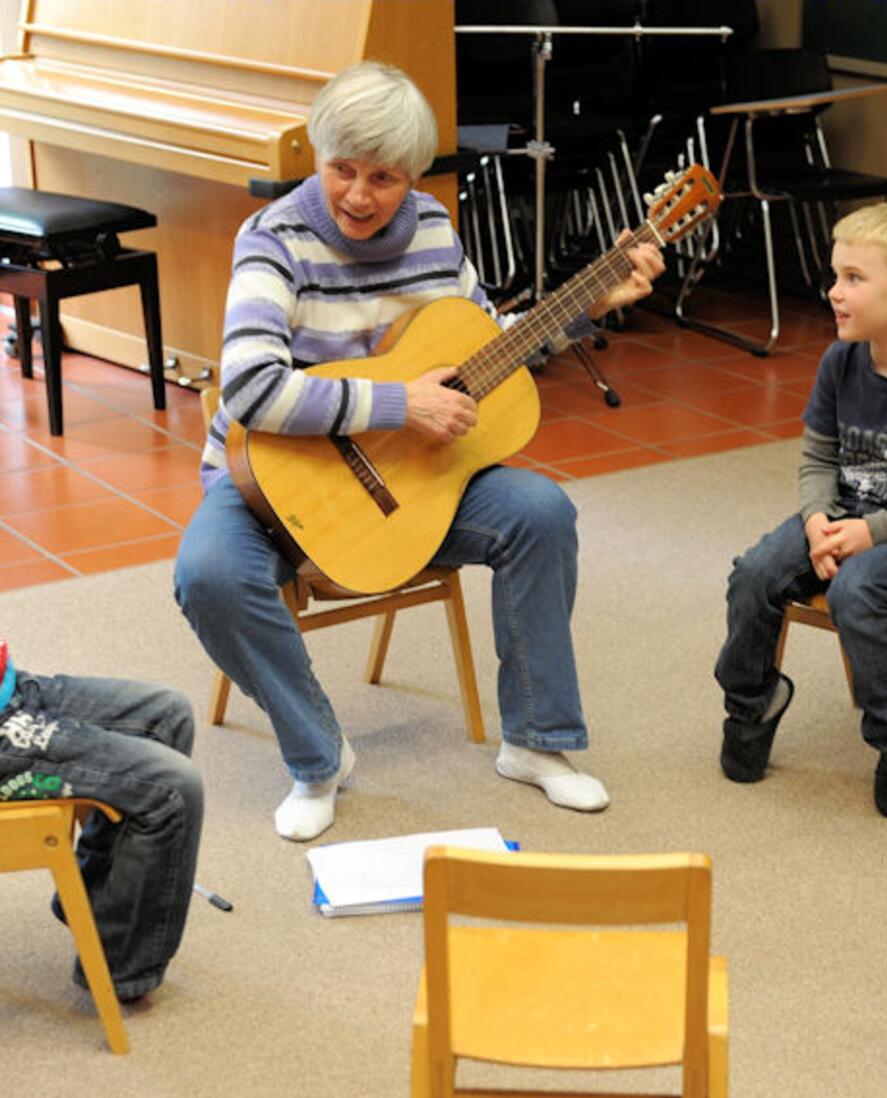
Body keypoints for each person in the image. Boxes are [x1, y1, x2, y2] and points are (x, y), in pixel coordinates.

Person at [174, 62, 664, 841]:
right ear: (318, 156)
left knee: (541, 511)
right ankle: (317, 755)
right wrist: (401, 403)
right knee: (208, 575)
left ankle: (536, 743)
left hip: (416, 478)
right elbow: (251, 389)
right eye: (342, 170)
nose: (360, 196)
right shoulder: (274, 240)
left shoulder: (434, 230)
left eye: (384, 177)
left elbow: (482, 351)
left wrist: (588, 304)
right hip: (272, 477)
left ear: (413, 176)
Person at [714, 202, 887, 819]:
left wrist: (873, 531)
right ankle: (752, 700)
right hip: (840, 517)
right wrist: (817, 520)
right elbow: (817, 460)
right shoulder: (841, 360)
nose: (833, 292)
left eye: (853, 279)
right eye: (835, 276)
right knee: (756, 573)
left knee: (856, 593)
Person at [0, 634, 203, 1001]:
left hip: (11, 692)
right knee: (173, 788)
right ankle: (120, 968)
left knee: (169, 715)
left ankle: (97, 901)